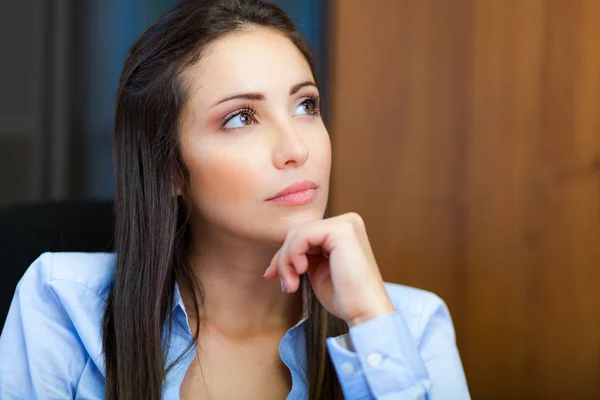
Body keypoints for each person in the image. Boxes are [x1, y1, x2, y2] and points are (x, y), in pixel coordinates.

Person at [0, 0, 470, 399]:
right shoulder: (61, 303)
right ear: (169, 169)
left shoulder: (408, 324)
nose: (296, 149)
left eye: (306, 106)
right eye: (242, 118)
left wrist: (370, 320)